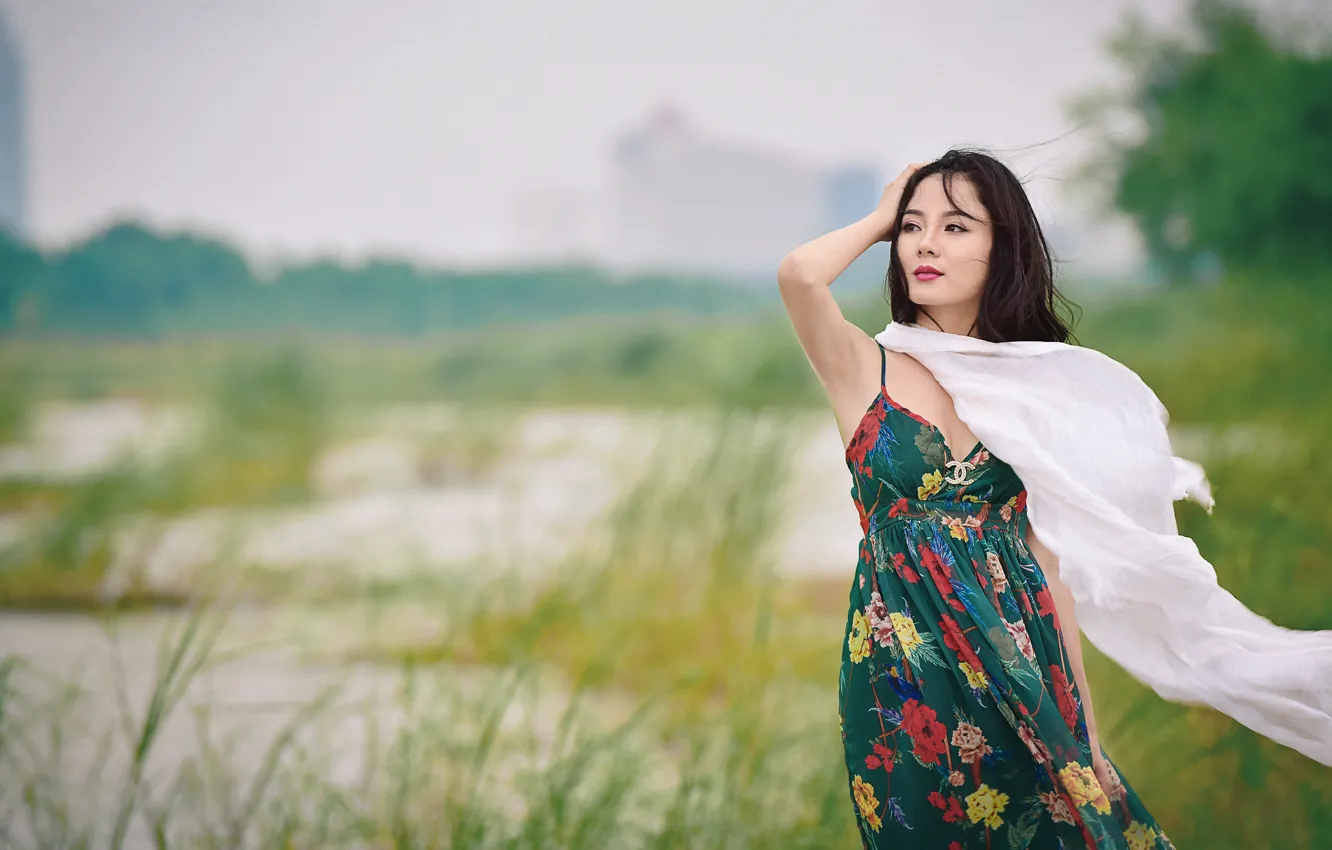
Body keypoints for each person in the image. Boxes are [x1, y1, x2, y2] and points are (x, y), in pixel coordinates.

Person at [777, 150, 1175, 848]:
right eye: (912, 227)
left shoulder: (1033, 390)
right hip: (906, 675)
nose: (925, 243)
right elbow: (800, 275)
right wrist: (876, 218)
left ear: (1003, 247)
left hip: (1021, 661)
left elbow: (1049, 566)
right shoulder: (860, 365)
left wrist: (1083, 728)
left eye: (957, 227)